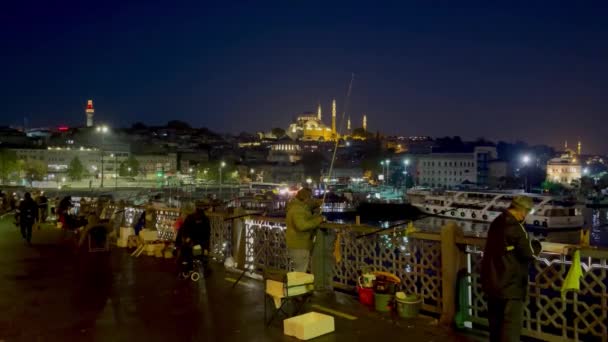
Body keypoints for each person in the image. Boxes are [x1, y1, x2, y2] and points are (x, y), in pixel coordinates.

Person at [481, 196, 542, 342]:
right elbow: (529, 254)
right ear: (522, 211)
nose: (525, 216)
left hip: (492, 282)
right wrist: (537, 245)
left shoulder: (497, 221)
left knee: (495, 327)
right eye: (526, 213)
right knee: (510, 328)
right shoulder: (515, 227)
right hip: (510, 286)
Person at [285, 188, 324, 272]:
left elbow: (307, 211)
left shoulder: (296, 206)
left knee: (298, 272)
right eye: (310, 197)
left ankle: (296, 285)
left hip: (296, 244)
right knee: (300, 273)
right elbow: (302, 226)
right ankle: (298, 285)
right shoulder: (298, 209)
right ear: (306, 198)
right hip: (300, 245)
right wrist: (319, 220)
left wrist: (316, 205)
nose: (311, 199)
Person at [175, 206, 211, 275]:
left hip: (196, 243)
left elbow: (206, 234)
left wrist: (205, 246)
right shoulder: (193, 219)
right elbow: (206, 234)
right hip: (195, 242)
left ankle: (192, 267)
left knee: (193, 253)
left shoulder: (200, 220)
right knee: (190, 253)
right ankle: (190, 267)